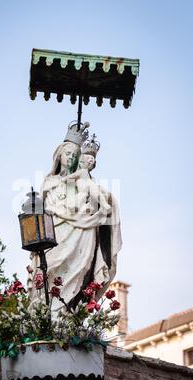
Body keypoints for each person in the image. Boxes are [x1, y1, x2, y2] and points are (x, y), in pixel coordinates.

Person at [28, 121, 122, 312]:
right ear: (59, 156)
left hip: (83, 233)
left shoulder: (86, 182)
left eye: (74, 155)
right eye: (67, 154)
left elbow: (100, 200)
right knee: (50, 271)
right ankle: (47, 314)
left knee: (79, 270)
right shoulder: (49, 182)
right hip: (56, 234)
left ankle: (68, 313)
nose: (70, 158)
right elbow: (43, 211)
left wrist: (104, 201)